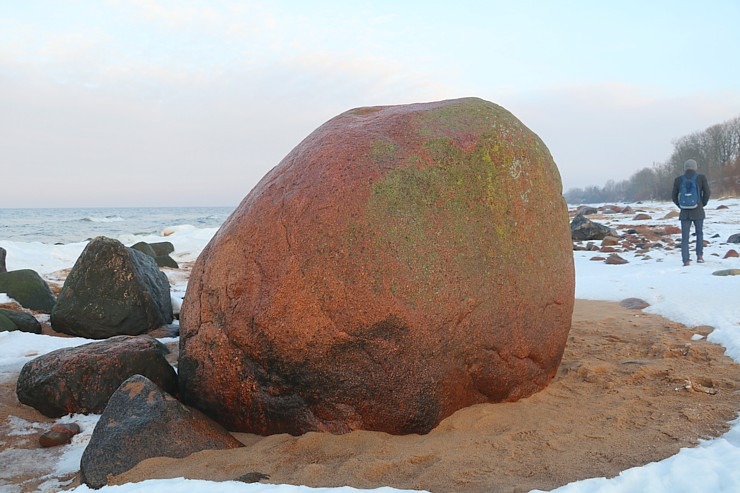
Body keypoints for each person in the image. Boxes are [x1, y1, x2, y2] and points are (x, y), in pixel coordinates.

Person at [672, 159, 710, 266]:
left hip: (685, 213)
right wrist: (702, 204)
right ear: (695, 167)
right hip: (698, 210)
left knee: (685, 237)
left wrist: (681, 206)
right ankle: (699, 256)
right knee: (699, 233)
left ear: (685, 167)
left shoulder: (678, 179)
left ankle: (686, 260)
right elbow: (707, 192)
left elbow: (673, 196)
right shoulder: (701, 178)